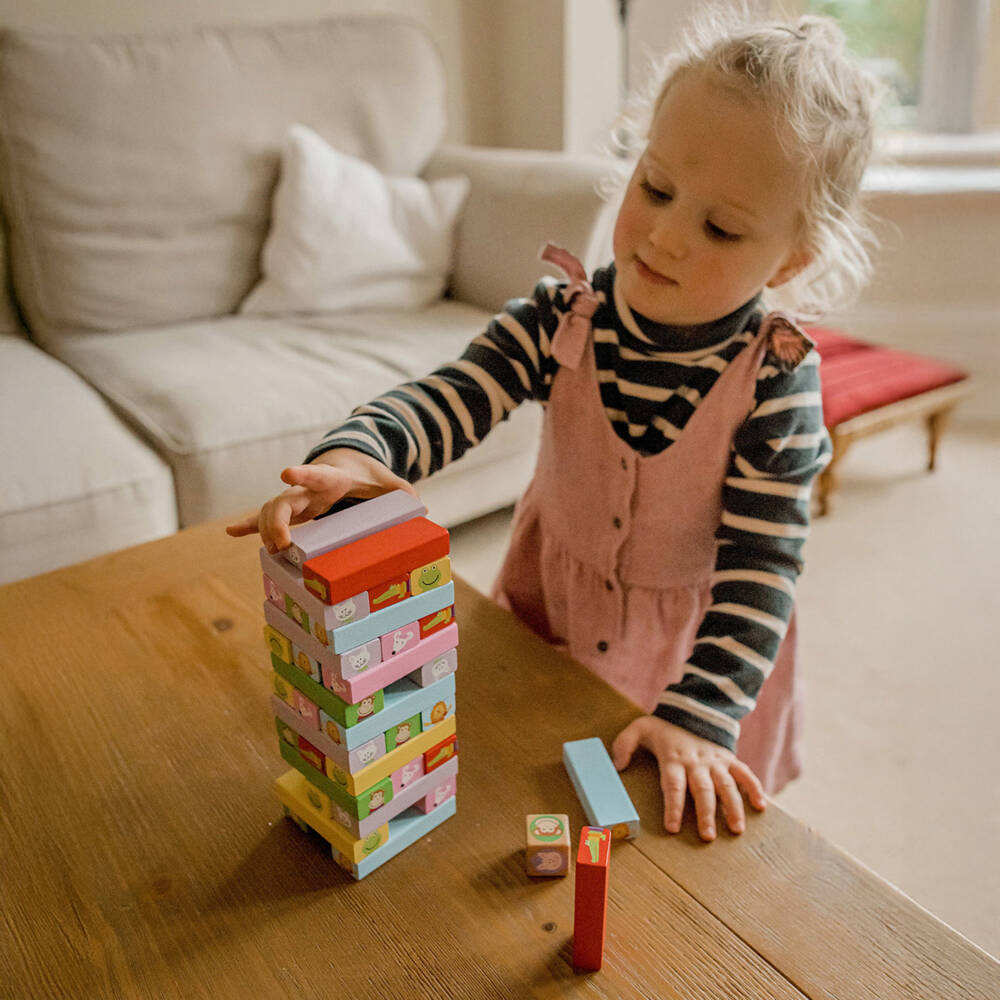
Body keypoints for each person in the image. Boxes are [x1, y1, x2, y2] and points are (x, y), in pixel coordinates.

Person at [228, 8, 879, 842]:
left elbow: (764, 564)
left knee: (665, 833)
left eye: (720, 227)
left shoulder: (775, 381)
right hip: (550, 611)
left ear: (789, 261)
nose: (669, 235)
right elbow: (448, 397)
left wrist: (703, 711)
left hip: (693, 653)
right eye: (656, 187)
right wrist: (360, 453)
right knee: (514, 778)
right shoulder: (562, 317)